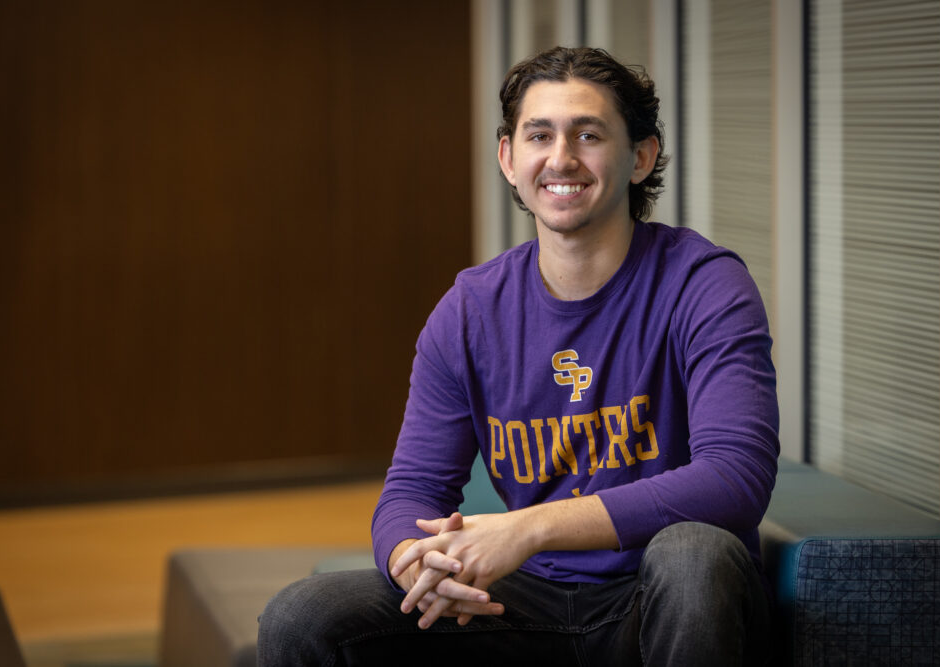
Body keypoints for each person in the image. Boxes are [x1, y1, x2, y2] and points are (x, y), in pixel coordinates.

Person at [258, 45, 779, 666]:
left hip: (663, 597)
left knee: (695, 552)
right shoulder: (470, 309)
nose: (562, 158)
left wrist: (527, 528)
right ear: (509, 158)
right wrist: (412, 559)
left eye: (589, 134)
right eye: (540, 135)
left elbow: (735, 478)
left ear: (641, 157)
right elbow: (414, 490)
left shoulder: (703, 282)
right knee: (303, 618)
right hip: (525, 605)